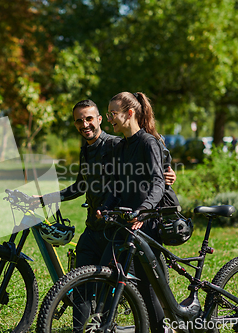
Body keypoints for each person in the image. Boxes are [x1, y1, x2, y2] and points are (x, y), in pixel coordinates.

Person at [40, 99, 176, 270]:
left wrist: (168, 171)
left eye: (89, 118)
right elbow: (80, 187)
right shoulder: (86, 150)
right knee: (79, 286)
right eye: (79, 120)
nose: (85, 124)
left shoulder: (116, 144)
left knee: (110, 289)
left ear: (99, 119)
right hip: (93, 226)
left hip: (114, 230)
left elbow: (149, 150)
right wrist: (45, 199)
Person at [98, 91, 174, 333]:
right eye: (108, 113)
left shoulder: (148, 142)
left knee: (150, 290)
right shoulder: (121, 147)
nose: (110, 118)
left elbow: (158, 182)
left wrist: (144, 210)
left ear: (129, 113)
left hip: (147, 223)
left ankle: (164, 328)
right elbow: (116, 186)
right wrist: (105, 206)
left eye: (112, 114)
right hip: (127, 222)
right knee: (119, 278)